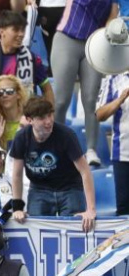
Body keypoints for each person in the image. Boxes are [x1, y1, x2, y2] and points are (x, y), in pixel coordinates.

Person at [10, 97, 96, 232]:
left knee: (74, 231)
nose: (48, 121)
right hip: (39, 189)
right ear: (29, 119)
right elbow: (16, 175)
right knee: (37, 232)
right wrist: (17, 207)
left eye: (50, 115)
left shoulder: (66, 135)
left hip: (70, 187)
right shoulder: (21, 137)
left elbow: (85, 171)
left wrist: (90, 209)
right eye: (42, 118)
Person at [51, 0, 117, 167]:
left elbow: (112, 17)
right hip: (67, 38)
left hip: (93, 45)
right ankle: (57, 147)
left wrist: (106, 32)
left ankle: (91, 150)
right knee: (61, 101)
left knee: (90, 100)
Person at [0, 10, 53, 105]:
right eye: (16, 30)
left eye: (23, 30)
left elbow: (47, 89)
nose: (21, 34)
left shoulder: (32, 58)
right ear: (2, 31)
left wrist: (50, 114)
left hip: (25, 117)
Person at [95, 70, 129, 215]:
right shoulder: (114, 78)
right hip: (123, 153)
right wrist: (120, 99)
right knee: (124, 209)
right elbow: (100, 114)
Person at [0, 74, 28, 151]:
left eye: (9, 91)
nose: (4, 95)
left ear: (18, 95)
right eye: (0, 92)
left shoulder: (28, 119)